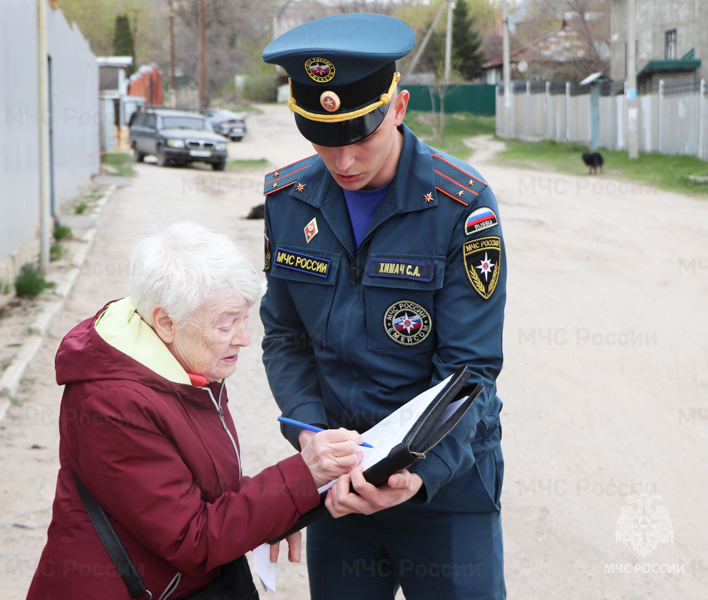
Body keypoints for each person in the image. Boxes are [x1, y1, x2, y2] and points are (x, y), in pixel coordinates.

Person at [260, 13, 507, 599]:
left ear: (398, 107)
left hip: (444, 489)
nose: (343, 162)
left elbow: (470, 372)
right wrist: (312, 439)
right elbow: (284, 338)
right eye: (324, 140)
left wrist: (415, 476)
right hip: (340, 488)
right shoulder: (288, 202)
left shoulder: (461, 208)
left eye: (361, 137)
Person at [27, 222, 366, 599]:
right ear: (166, 322)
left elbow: (198, 482)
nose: (244, 338)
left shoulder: (180, 359)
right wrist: (302, 474)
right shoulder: (114, 404)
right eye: (226, 324)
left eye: (244, 318)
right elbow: (191, 539)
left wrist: (276, 508)